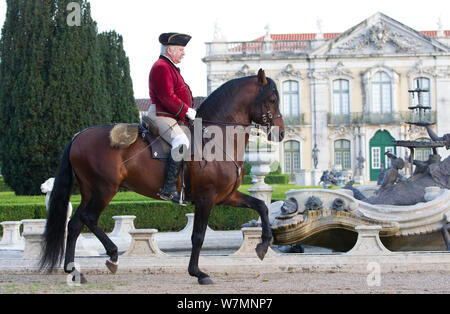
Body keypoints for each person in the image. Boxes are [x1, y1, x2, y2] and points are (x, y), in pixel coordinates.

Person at [148, 33, 197, 205]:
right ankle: (168, 189)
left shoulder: (169, 66)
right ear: (170, 50)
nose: (184, 53)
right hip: (161, 114)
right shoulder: (161, 66)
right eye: (181, 50)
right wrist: (186, 111)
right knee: (181, 141)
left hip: (171, 115)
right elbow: (166, 97)